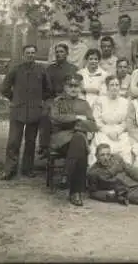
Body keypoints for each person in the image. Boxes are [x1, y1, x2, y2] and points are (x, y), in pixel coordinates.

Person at [0, 45, 52, 180]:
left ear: (35, 54)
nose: (30, 55)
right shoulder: (16, 69)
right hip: (18, 110)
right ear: (23, 55)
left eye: (33, 53)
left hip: (35, 111)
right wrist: (14, 98)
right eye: (28, 53)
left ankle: (27, 169)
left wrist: (39, 100)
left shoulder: (41, 70)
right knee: (13, 141)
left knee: (30, 141)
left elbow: (48, 89)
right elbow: (4, 88)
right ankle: (9, 169)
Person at [49, 74, 98, 206]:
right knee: (80, 143)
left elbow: (93, 125)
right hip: (61, 140)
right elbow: (55, 118)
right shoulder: (58, 102)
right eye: (70, 86)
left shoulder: (84, 104)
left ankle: (67, 176)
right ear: (65, 87)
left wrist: (73, 123)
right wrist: (77, 118)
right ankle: (76, 192)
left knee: (78, 142)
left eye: (76, 86)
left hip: (77, 139)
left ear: (80, 87)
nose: (73, 88)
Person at [39, 43, 79, 159]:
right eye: (57, 52)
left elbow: (74, 86)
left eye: (61, 51)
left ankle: (63, 146)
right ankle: (44, 146)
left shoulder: (73, 69)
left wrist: (64, 96)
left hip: (68, 98)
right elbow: (45, 86)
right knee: (45, 114)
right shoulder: (50, 69)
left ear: (67, 54)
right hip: (52, 98)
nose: (58, 54)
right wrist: (48, 97)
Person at [88, 75, 132, 167]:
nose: (115, 87)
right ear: (107, 87)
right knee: (101, 148)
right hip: (103, 131)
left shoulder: (125, 102)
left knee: (125, 150)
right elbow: (97, 120)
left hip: (120, 132)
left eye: (117, 85)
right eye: (112, 85)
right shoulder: (100, 100)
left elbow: (127, 120)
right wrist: (108, 132)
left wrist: (117, 131)